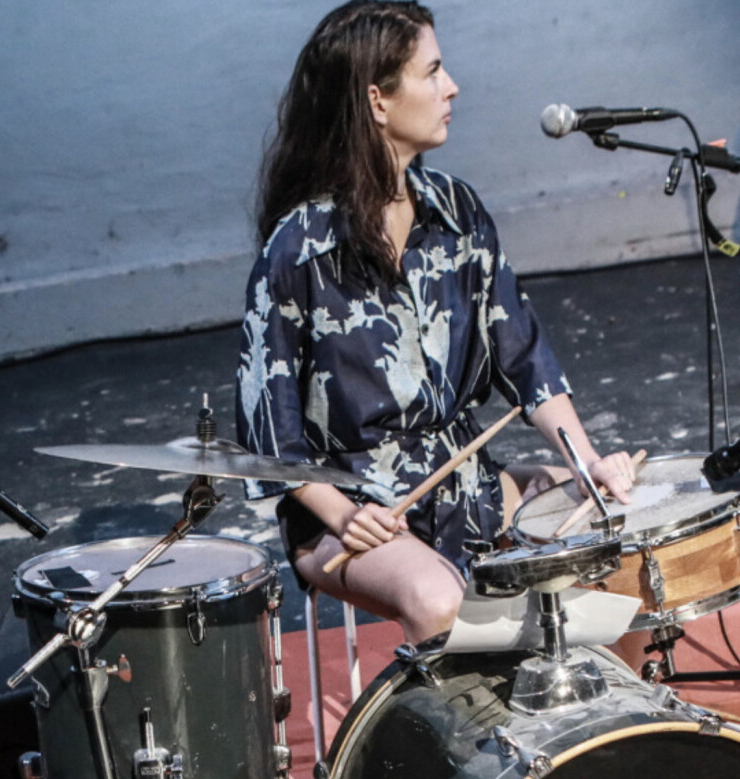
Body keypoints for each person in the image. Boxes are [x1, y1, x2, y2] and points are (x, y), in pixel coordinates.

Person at [236, 0, 637, 645]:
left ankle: (623, 706)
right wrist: (343, 515)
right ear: (378, 101)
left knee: (615, 523)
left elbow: (525, 359)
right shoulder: (298, 249)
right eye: (432, 72)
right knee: (437, 598)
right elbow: (269, 433)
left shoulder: (459, 210)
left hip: (465, 484)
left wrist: (588, 463)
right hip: (352, 507)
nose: (452, 87)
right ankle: (456, 714)